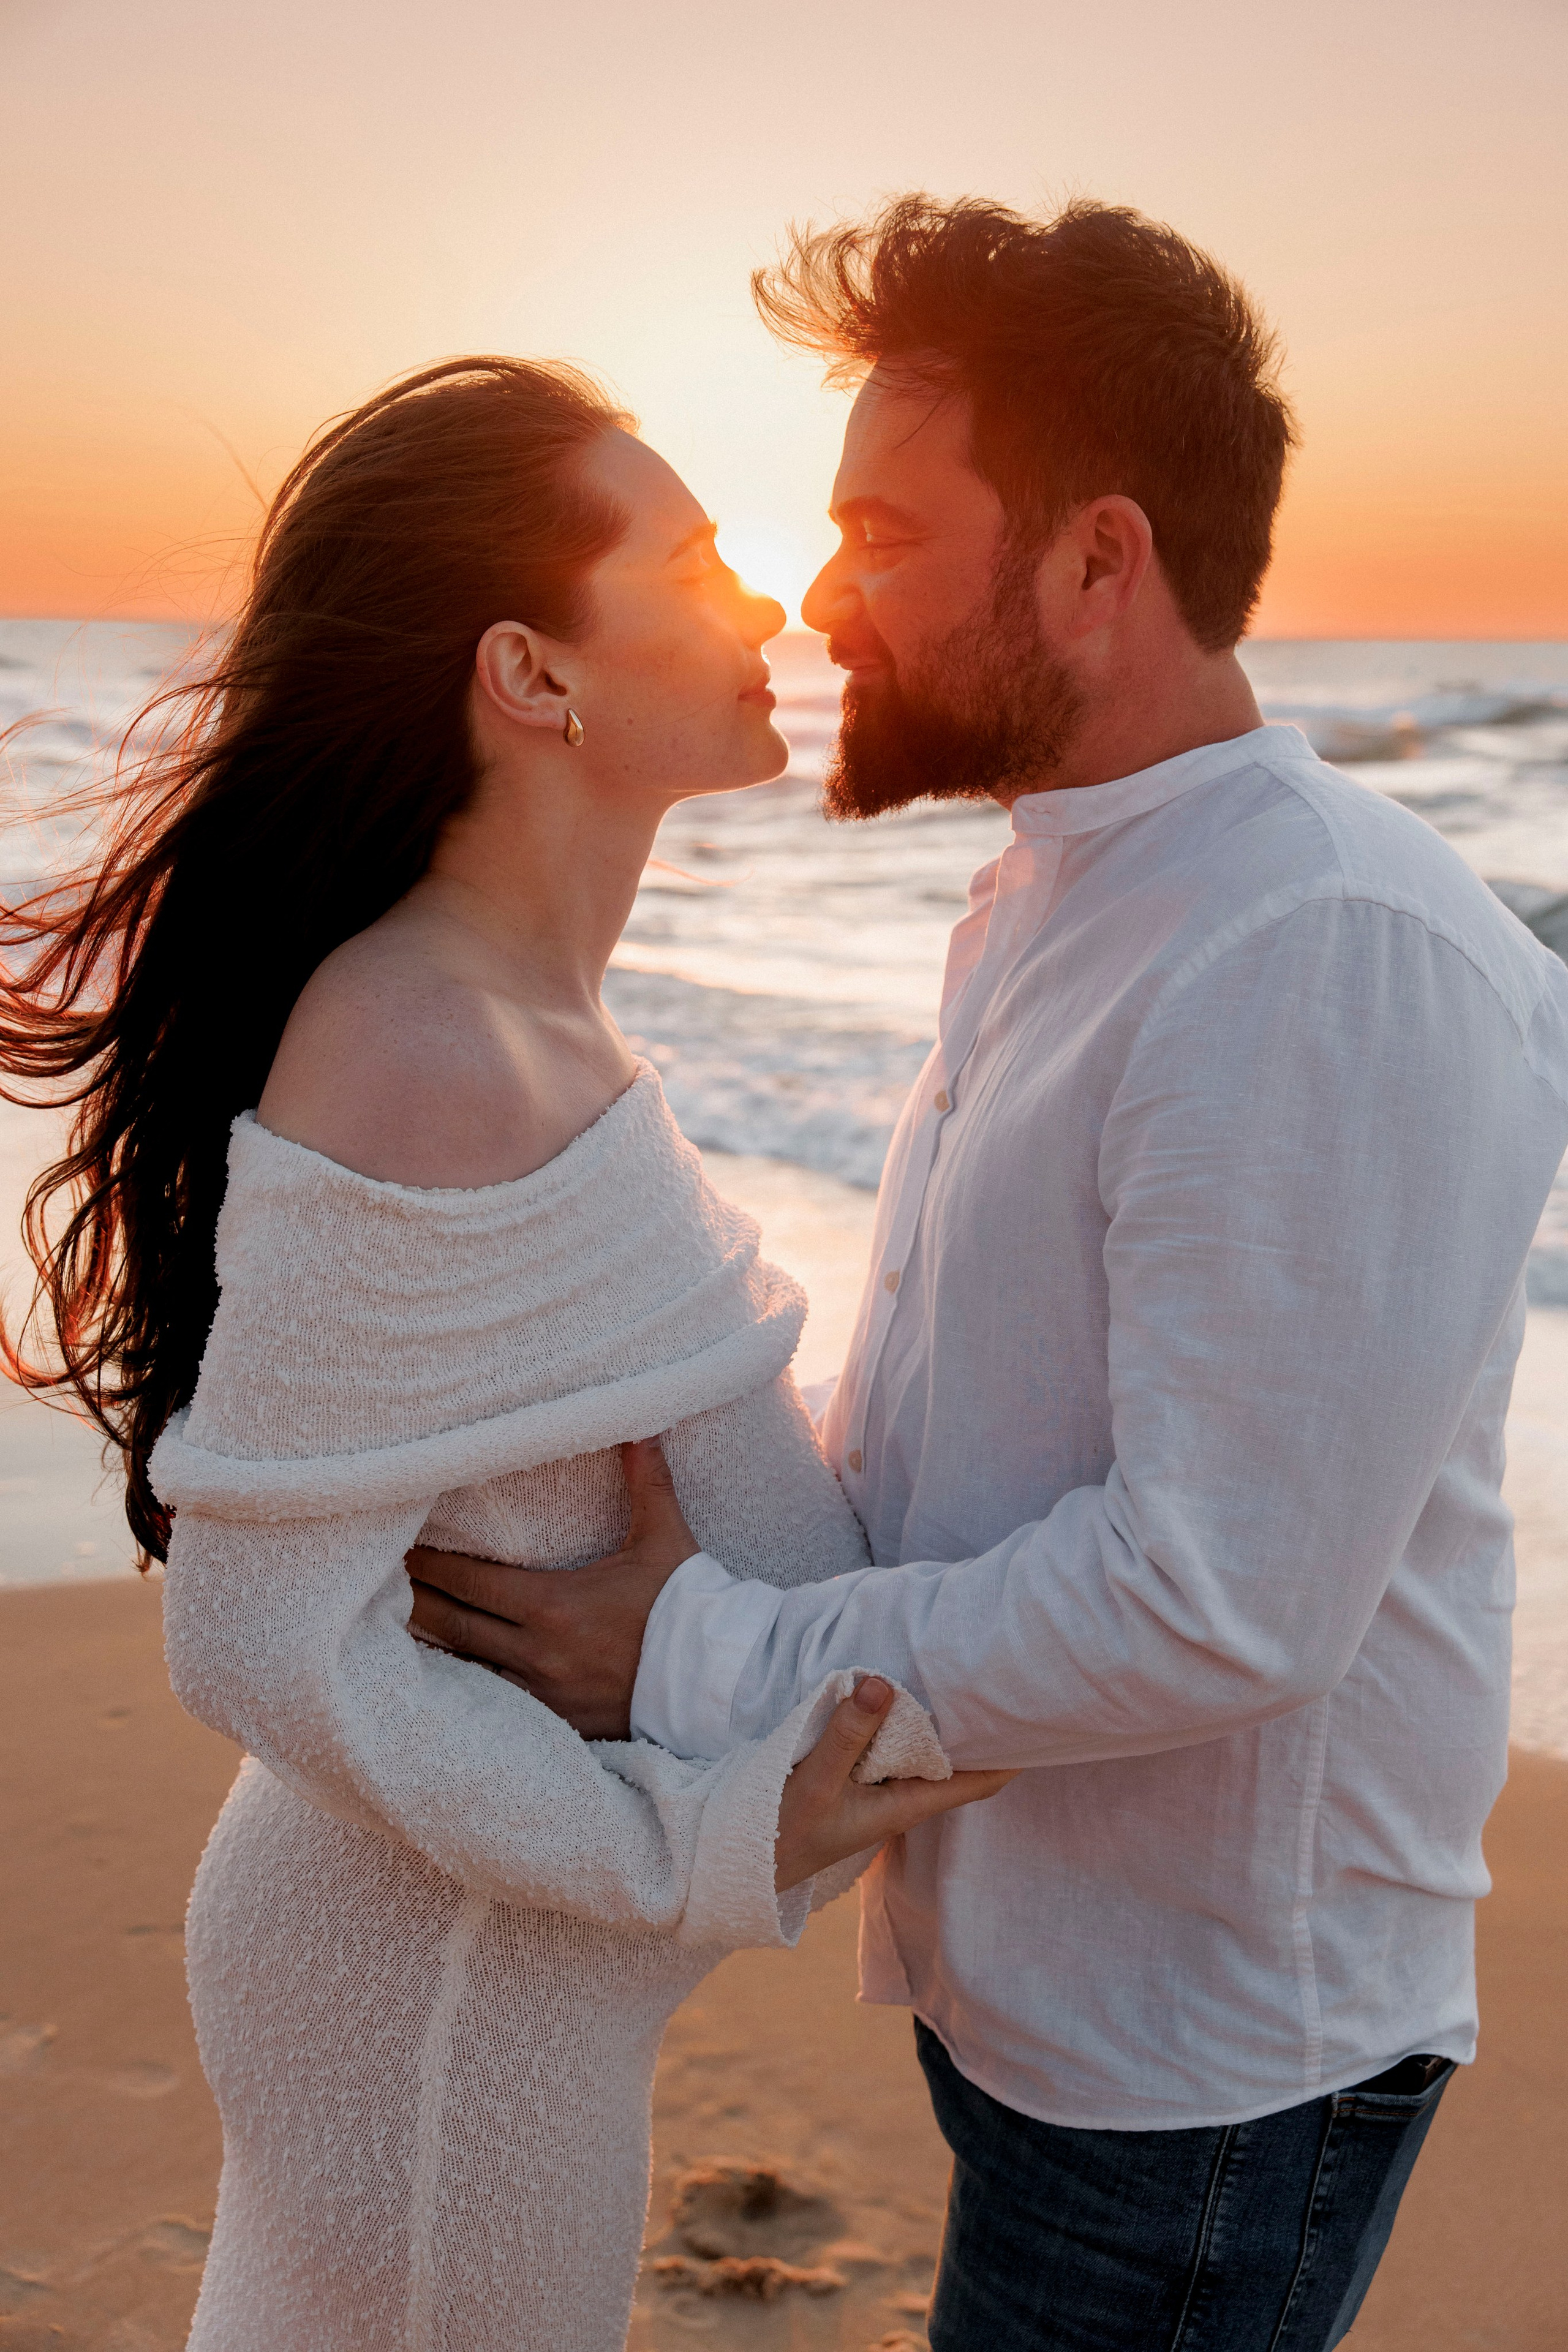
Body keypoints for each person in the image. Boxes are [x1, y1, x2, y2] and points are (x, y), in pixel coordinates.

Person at [408, 205, 1568, 2349]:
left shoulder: (1315, 952)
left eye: (881, 529)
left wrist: (691, 1654)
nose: (821, 592)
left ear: (1100, 560)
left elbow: (1216, 1597)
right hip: (1054, 1967)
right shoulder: (1068, 887)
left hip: (1209, 2046)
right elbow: (986, 1415)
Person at [0, 356, 1011, 2352]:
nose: (765, 605)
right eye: (701, 555)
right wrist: (694, 1844)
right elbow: (255, 1637)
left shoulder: (528, 1022)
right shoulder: (426, 1043)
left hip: (475, 1980)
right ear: (533, 674)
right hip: (438, 2003)